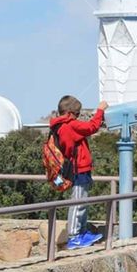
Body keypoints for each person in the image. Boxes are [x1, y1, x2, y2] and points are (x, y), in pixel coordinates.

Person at [50, 95, 108, 249]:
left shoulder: (62, 125)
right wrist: (100, 110)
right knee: (78, 202)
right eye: (77, 114)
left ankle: (81, 232)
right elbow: (91, 127)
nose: (78, 117)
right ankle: (75, 236)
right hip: (78, 169)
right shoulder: (69, 125)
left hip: (79, 168)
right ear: (70, 113)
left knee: (83, 201)